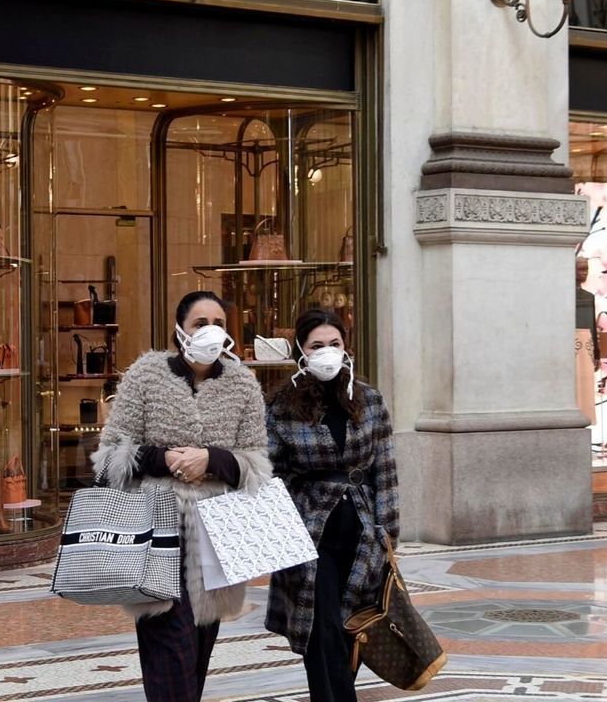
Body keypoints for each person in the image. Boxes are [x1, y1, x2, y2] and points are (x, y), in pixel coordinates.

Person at [91, 291, 271, 702]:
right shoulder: (146, 375)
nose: (211, 331)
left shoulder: (243, 383)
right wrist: (164, 458)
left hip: (217, 538)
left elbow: (257, 463)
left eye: (219, 324)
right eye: (200, 323)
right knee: (170, 652)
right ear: (180, 331)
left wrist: (212, 459)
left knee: (196, 655)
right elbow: (110, 455)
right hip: (155, 535)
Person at [267, 309, 399, 702]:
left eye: (334, 344)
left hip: (362, 531)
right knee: (320, 626)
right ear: (302, 352)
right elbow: (272, 472)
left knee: (352, 626)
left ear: (346, 348)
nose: (327, 352)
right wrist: (284, 527)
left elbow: (385, 470)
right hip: (310, 531)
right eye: (317, 346)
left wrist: (388, 535)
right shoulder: (282, 406)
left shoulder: (369, 399)